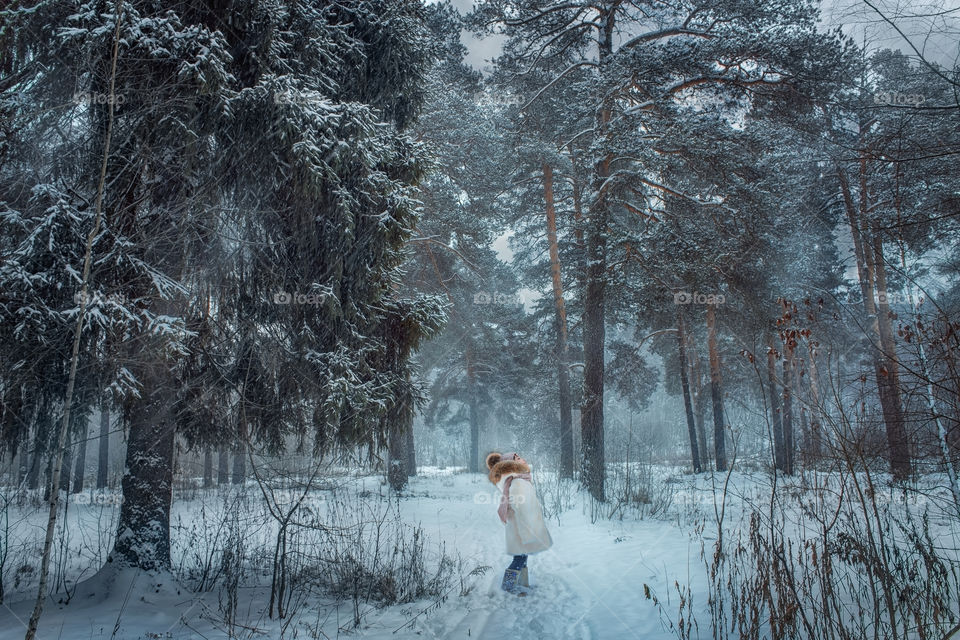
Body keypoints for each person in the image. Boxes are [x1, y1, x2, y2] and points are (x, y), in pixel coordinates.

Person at [485, 451, 553, 595]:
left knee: (523, 555)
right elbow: (520, 505)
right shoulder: (516, 481)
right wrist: (528, 528)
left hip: (520, 525)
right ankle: (507, 587)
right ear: (512, 463)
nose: (522, 459)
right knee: (520, 557)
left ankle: (523, 583)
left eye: (520, 456)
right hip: (520, 526)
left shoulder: (517, 478)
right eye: (517, 458)